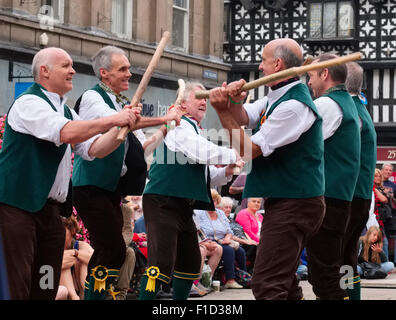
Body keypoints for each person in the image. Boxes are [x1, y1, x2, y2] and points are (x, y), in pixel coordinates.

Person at [0, 47, 139, 300]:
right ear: (44, 71)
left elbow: (94, 149)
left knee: (45, 283)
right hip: (18, 208)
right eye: (66, 65)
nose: (73, 70)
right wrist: (115, 120)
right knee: (18, 282)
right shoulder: (28, 103)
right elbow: (66, 132)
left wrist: (122, 130)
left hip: (51, 212)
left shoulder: (65, 110)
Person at [209, 38, 325, 300]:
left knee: (267, 284)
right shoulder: (278, 96)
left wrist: (221, 111)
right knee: (284, 281)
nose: (260, 68)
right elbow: (244, 117)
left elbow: (249, 151)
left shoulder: (294, 106)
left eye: (263, 61)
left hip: (296, 202)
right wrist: (234, 102)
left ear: (278, 64)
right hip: (289, 200)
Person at [71, 45, 182, 300]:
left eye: (130, 68)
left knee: (112, 252)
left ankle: (96, 295)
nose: (129, 74)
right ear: (104, 73)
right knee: (112, 250)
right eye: (122, 69)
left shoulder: (122, 103)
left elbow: (142, 145)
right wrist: (164, 118)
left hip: (111, 190)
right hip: (90, 187)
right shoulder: (92, 97)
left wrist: (166, 127)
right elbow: (121, 122)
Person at [140, 82, 242, 300]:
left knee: (189, 263)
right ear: (183, 104)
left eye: (206, 98)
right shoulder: (178, 124)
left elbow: (203, 174)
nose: (204, 102)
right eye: (199, 97)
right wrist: (234, 153)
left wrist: (226, 171)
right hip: (162, 201)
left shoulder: (194, 129)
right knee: (160, 265)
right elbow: (200, 152)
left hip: (181, 205)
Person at [305, 53, 361, 300]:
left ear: (324, 74)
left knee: (325, 275)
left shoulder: (327, 104)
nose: (308, 82)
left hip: (328, 198)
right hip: (342, 197)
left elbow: (297, 143)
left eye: (310, 76)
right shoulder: (348, 104)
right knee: (333, 269)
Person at [340, 61, 377, 300]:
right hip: (360, 195)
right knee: (347, 254)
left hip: (349, 195)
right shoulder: (360, 107)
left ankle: (342, 297)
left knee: (338, 255)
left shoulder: (348, 111)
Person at [195, 190, 247, 289]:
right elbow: (198, 230)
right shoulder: (199, 212)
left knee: (241, 251)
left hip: (223, 240)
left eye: (214, 200)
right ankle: (229, 280)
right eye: (208, 200)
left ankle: (244, 278)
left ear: (217, 202)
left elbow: (229, 230)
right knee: (228, 250)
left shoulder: (220, 213)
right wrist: (209, 242)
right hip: (207, 240)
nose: (211, 202)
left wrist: (227, 238)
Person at [56, 216, 94, 300]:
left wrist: (75, 253)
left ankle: (85, 296)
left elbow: (96, 259)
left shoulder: (80, 245)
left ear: (72, 231)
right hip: (61, 289)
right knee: (65, 262)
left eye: (62, 233)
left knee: (84, 261)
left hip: (80, 287)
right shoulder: (53, 247)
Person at [219, 196, 258, 273]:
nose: (228, 210)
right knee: (254, 248)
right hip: (237, 243)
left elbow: (243, 231)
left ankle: (253, 272)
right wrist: (246, 242)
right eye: (226, 207)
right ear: (219, 208)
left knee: (257, 246)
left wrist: (250, 240)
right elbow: (229, 235)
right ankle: (246, 273)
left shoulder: (231, 219)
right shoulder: (221, 220)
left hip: (244, 241)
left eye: (230, 208)